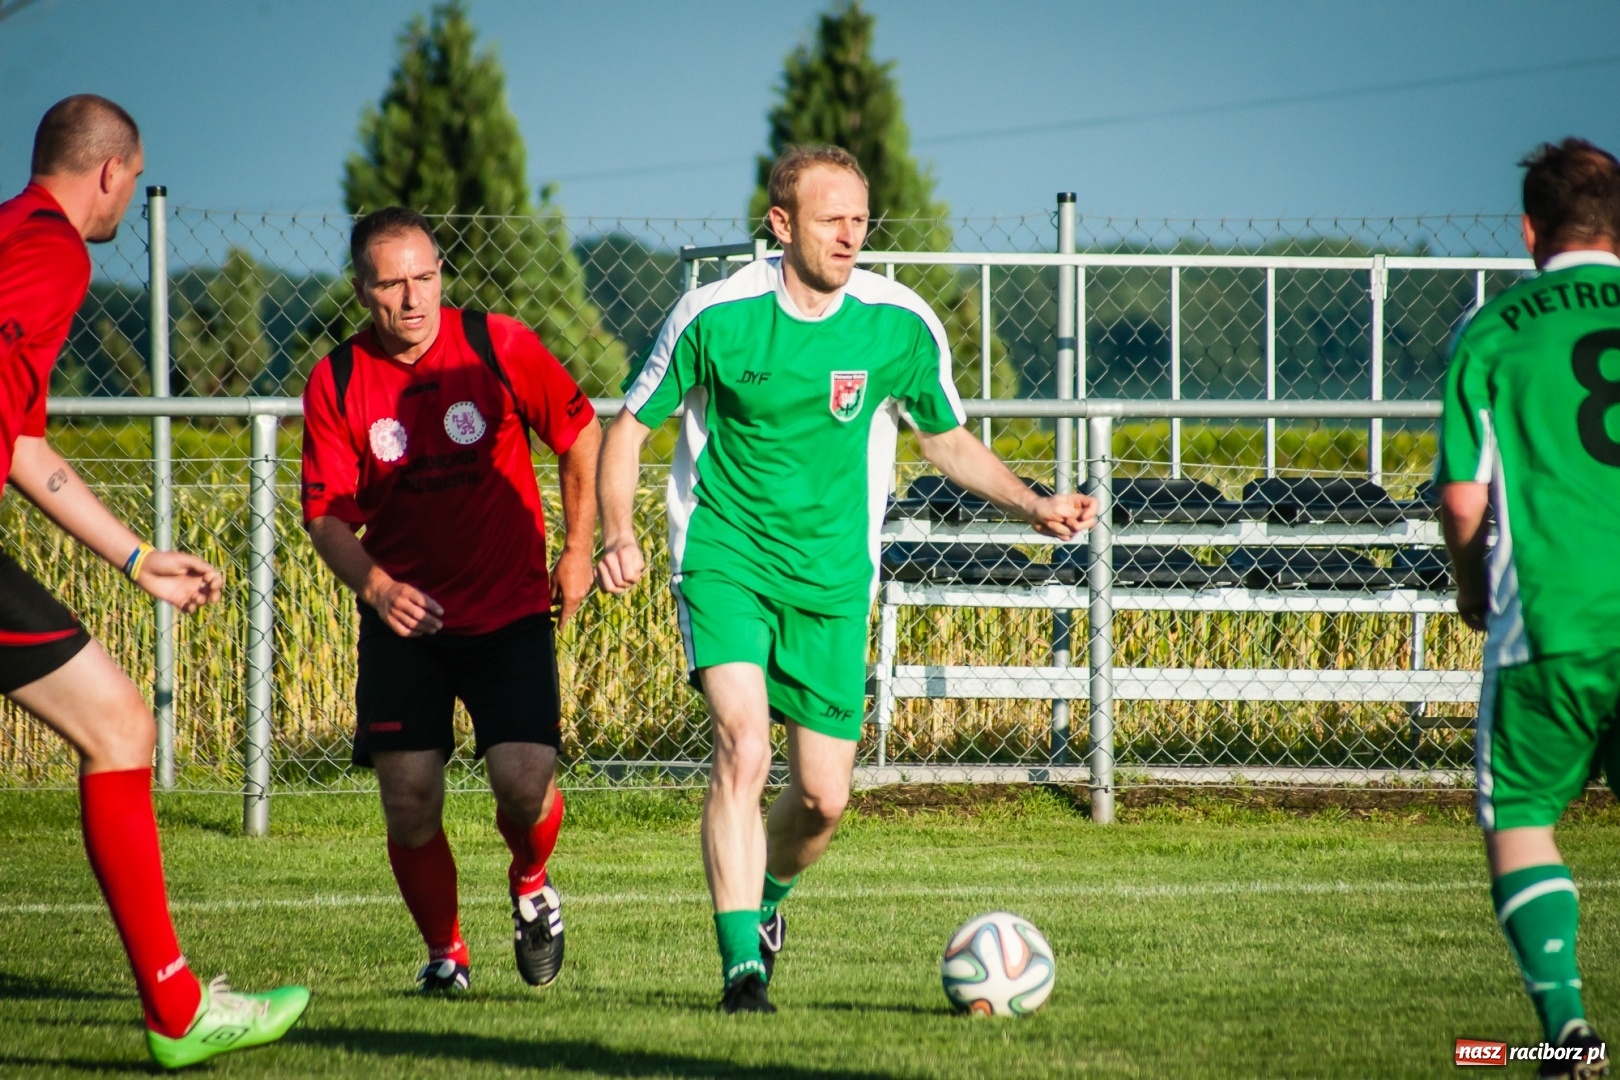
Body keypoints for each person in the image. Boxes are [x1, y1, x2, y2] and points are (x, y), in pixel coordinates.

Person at [595, 145, 1097, 1013]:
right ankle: (740, 973)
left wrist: (1033, 503)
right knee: (743, 745)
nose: (850, 235)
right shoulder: (715, 316)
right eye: (832, 219)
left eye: (861, 219)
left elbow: (945, 441)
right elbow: (630, 429)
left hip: (833, 581)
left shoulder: (898, 323)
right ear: (781, 224)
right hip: (727, 559)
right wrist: (615, 531)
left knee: (823, 802)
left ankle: (768, 907)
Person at [0, 96, 309, 1069]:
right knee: (121, 725)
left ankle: (178, 1006)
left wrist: (138, 560)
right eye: (133, 182)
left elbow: (21, 445)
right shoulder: (53, 253)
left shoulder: (14, 237)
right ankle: (177, 1013)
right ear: (108, 170)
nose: (129, 200)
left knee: (118, 722)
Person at [301, 206, 599, 995]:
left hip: (507, 610)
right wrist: (376, 585)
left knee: (525, 783)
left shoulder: (497, 343)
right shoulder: (335, 380)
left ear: (442, 274)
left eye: (425, 277)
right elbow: (325, 515)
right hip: (405, 620)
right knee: (409, 799)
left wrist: (576, 550)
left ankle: (531, 885)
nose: (413, 298)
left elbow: (580, 434)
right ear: (362, 289)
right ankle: (447, 955)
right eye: (392, 283)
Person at [1438, 137, 1620, 1080]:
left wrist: (1473, 591)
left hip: (1554, 617)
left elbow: (1464, 499)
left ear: (1528, 229)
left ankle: (1568, 1035)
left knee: (1521, 814)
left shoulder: (1498, 330)